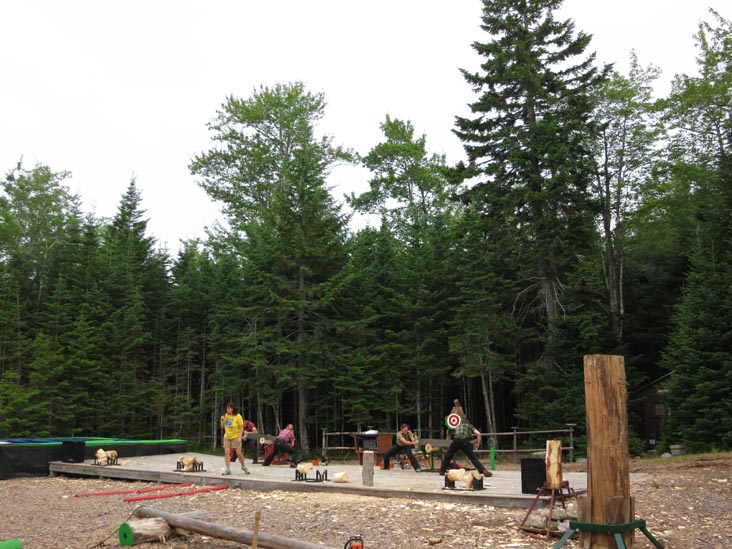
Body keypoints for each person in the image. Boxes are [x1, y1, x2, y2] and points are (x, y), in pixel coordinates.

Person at [220, 403, 249, 475]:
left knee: (239, 453)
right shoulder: (226, 415)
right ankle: (228, 469)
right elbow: (222, 426)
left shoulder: (238, 416)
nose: (227, 409)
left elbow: (241, 427)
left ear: (232, 409)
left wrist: (240, 437)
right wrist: (222, 420)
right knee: (227, 453)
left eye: (228, 408)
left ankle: (243, 466)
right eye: (227, 408)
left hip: (235, 436)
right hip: (227, 436)